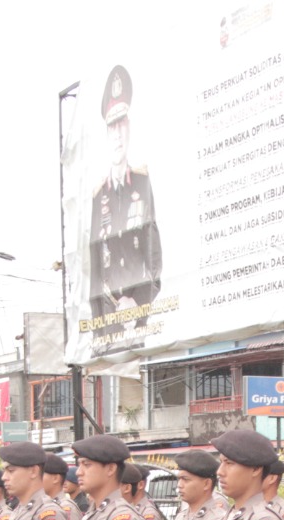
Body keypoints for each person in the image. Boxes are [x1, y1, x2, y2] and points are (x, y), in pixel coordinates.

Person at [90, 64, 162, 337]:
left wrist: (138, 303)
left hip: (139, 323)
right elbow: (95, 272)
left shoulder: (143, 183)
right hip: (108, 324)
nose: (117, 134)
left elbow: (154, 259)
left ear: (129, 127)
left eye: (121, 124)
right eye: (111, 127)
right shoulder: (97, 197)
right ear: (106, 134)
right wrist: (99, 330)